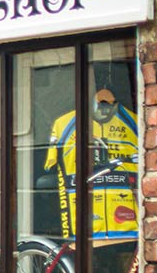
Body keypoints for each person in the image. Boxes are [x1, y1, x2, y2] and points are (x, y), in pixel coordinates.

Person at [43, 88, 138, 240]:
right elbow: (51, 164)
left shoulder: (134, 123)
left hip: (127, 226)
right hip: (82, 224)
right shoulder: (64, 125)